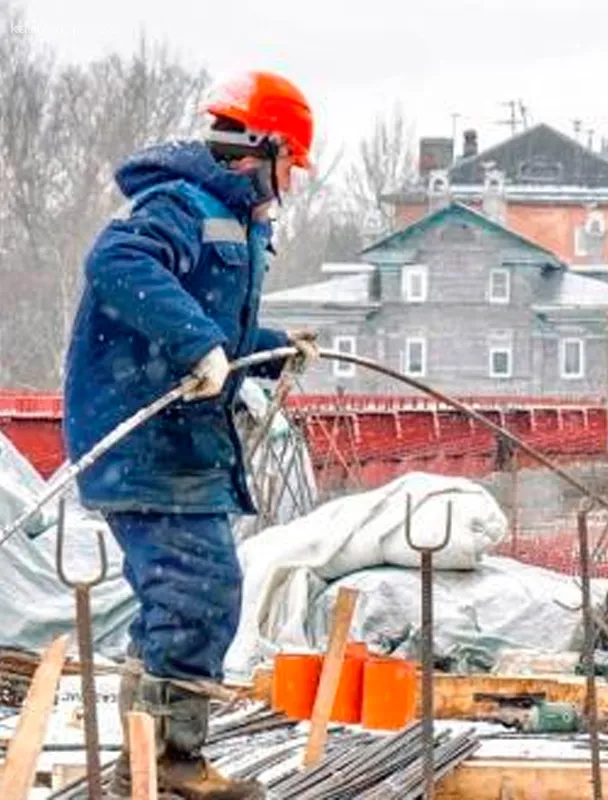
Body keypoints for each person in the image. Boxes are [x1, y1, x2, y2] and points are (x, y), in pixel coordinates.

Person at [63, 71, 321, 800]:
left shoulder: (232, 219)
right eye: (289, 167)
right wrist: (195, 345)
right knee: (197, 590)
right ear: (261, 150)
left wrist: (265, 345)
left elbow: (214, 322)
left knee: (183, 596)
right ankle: (169, 768)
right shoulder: (178, 205)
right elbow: (119, 263)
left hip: (187, 443)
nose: (288, 185)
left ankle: (149, 767)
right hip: (145, 442)